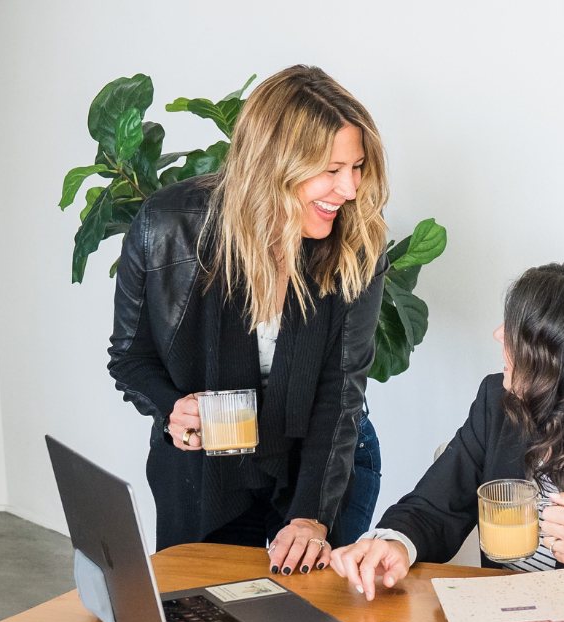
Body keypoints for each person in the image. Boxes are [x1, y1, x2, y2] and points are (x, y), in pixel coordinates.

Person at [107, 65, 388, 577]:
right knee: (202, 614)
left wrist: (311, 516)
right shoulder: (166, 225)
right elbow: (130, 357)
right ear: (272, 164)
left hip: (323, 462)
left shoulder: (357, 240)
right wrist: (173, 409)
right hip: (206, 469)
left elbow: (340, 392)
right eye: (330, 169)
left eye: (358, 166)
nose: (349, 189)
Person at [330, 263, 564, 598]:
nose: (497, 334)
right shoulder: (496, 403)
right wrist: (394, 543)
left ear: (561, 361)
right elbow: (434, 507)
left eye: (517, 332)